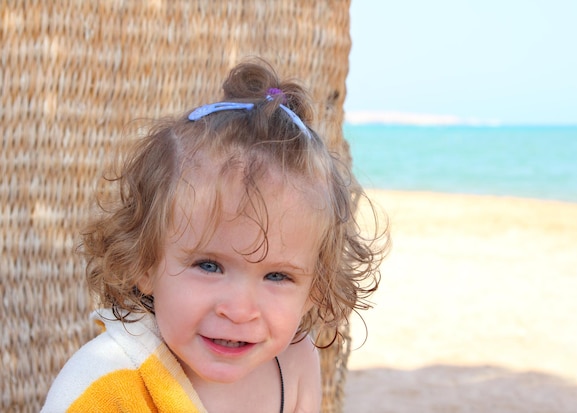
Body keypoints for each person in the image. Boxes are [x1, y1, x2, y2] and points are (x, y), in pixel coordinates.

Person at [42, 58, 388, 413]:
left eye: (277, 275)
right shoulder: (107, 383)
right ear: (144, 263)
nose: (239, 311)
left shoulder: (295, 362)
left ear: (315, 289)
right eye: (209, 266)